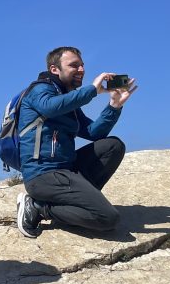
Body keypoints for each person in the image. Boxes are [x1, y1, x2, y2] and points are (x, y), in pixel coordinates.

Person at [15, 46, 137, 239]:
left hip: (67, 170)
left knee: (113, 146)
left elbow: (93, 132)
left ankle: (75, 205)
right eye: (74, 65)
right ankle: (39, 207)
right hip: (43, 175)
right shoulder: (39, 90)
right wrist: (92, 90)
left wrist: (114, 106)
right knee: (107, 218)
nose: (81, 70)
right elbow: (49, 107)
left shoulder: (67, 100)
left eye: (82, 65)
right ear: (54, 69)